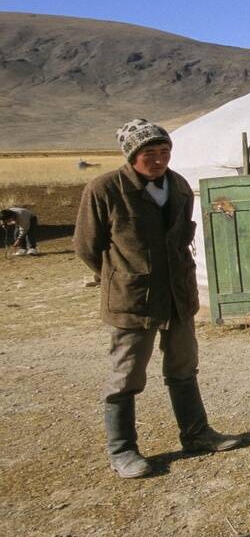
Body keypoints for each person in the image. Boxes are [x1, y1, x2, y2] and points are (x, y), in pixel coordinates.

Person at [74, 118, 241, 479]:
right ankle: (122, 450)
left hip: (178, 295)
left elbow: (181, 239)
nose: (158, 159)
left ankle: (196, 434)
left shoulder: (179, 186)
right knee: (127, 375)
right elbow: (87, 247)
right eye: (149, 152)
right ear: (132, 155)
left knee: (183, 368)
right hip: (133, 300)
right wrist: (120, 279)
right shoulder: (105, 189)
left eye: (164, 151)